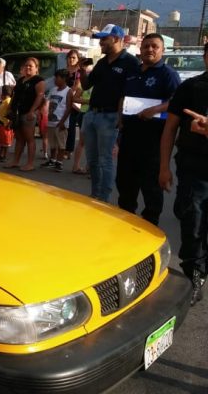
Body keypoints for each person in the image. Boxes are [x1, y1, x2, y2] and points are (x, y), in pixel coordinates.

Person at [159, 42, 208, 306]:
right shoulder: (189, 88)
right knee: (193, 221)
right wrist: (164, 167)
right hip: (194, 169)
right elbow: (170, 129)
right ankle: (195, 274)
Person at [116, 33, 180, 225]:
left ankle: (150, 227)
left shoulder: (168, 74)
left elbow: (177, 101)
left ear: (162, 50)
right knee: (125, 185)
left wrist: (156, 110)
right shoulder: (133, 72)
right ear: (140, 49)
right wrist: (120, 118)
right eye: (146, 47)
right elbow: (123, 98)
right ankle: (125, 225)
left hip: (153, 141)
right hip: (129, 138)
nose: (149, 50)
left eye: (154, 46)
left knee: (151, 189)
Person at [80, 24, 140, 202]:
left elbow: (130, 93)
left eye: (104, 39)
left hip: (110, 116)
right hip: (92, 114)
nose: (101, 43)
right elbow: (86, 86)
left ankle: (103, 199)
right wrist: (82, 71)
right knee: (92, 160)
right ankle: (95, 195)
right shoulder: (102, 62)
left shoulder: (130, 62)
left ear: (116, 39)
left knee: (105, 160)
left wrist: (121, 118)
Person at [5, 57, 45, 171]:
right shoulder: (21, 80)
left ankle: (30, 163)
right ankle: (15, 161)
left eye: (31, 66)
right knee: (19, 138)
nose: (28, 67)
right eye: (26, 65)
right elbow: (15, 95)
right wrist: (10, 107)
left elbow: (40, 96)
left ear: (36, 68)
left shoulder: (39, 80)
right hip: (17, 112)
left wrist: (32, 111)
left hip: (28, 113)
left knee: (29, 139)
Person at [42, 69, 71, 171]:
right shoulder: (53, 90)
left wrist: (63, 122)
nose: (55, 80)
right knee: (52, 143)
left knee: (61, 144)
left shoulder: (68, 91)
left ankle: (59, 162)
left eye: (57, 78)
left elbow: (68, 108)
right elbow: (47, 102)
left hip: (61, 122)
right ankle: (52, 160)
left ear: (64, 79)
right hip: (51, 121)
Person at [63, 49, 82, 155]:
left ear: (78, 59)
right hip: (64, 99)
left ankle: (68, 150)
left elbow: (77, 85)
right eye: (69, 57)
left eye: (74, 57)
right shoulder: (65, 70)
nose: (71, 60)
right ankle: (61, 147)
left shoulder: (79, 71)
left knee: (71, 125)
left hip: (73, 100)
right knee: (63, 124)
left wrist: (69, 95)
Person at [0, 85, 14, 161]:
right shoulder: (4, 101)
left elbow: (12, 113)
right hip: (1, 124)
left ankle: (4, 156)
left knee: (6, 142)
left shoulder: (8, 102)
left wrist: (9, 124)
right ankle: (1, 155)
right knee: (2, 141)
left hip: (6, 125)